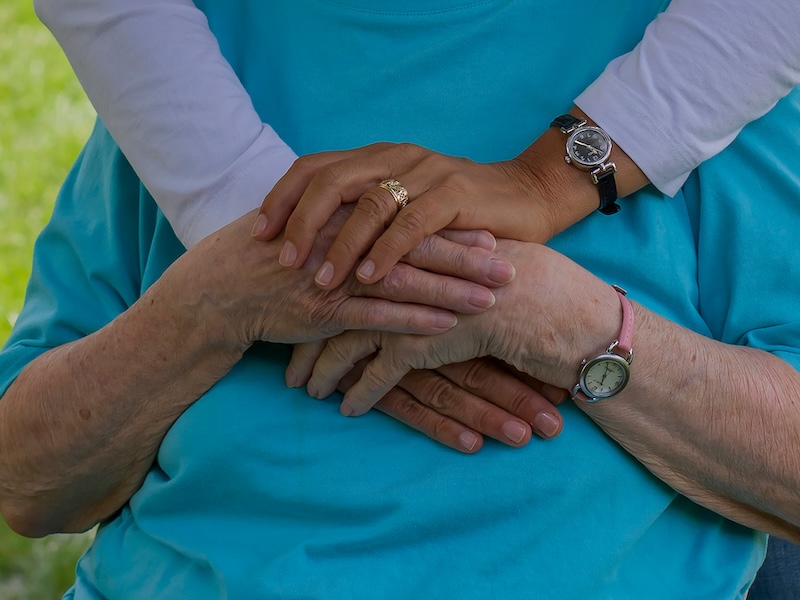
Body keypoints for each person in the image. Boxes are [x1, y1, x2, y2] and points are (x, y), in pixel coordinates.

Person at [1, 2, 799, 599]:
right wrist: (211, 304)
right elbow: (27, 480)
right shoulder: (184, 81)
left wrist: (569, 325)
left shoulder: (701, 76)